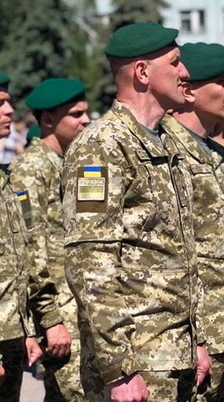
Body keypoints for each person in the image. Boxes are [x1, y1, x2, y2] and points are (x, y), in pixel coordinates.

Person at [62, 23, 210, 402]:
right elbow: (90, 262)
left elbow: (174, 255)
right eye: (175, 63)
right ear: (142, 72)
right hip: (138, 362)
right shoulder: (102, 146)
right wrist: (120, 369)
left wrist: (196, 340)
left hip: (174, 355)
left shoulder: (163, 142)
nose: (185, 73)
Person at [161, 43, 224, 402]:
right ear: (188, 91)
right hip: (198, 341)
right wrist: (194, 339)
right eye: (222, 82)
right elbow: (169, 259)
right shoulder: (167, 154)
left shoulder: (218, 156)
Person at [10, 78, 93, 401]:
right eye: (76, 114)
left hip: (77, 306)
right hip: (59, 311)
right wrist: (50, 319)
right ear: (48, 120)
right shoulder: (32, 168)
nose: (86, 120)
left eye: (86, 113)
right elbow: (29, 245)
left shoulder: (66, 163)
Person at [0, 72, 44, 401]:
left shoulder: (6, 178)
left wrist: (27, 329)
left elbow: (16, 259)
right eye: (0, 103)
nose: (9, 110)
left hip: (11, 336)